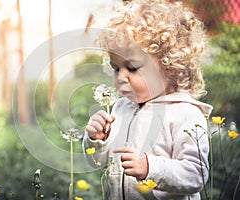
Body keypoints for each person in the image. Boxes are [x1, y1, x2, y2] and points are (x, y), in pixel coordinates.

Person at [83, 0, 213, 199]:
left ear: (170, 67)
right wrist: (98, 141)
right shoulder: (120, 108)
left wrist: (150, 168)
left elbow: (196, 174)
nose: (121, 77)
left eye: (132, 68)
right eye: (116, 68)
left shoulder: (185, 113)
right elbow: (98, 163)